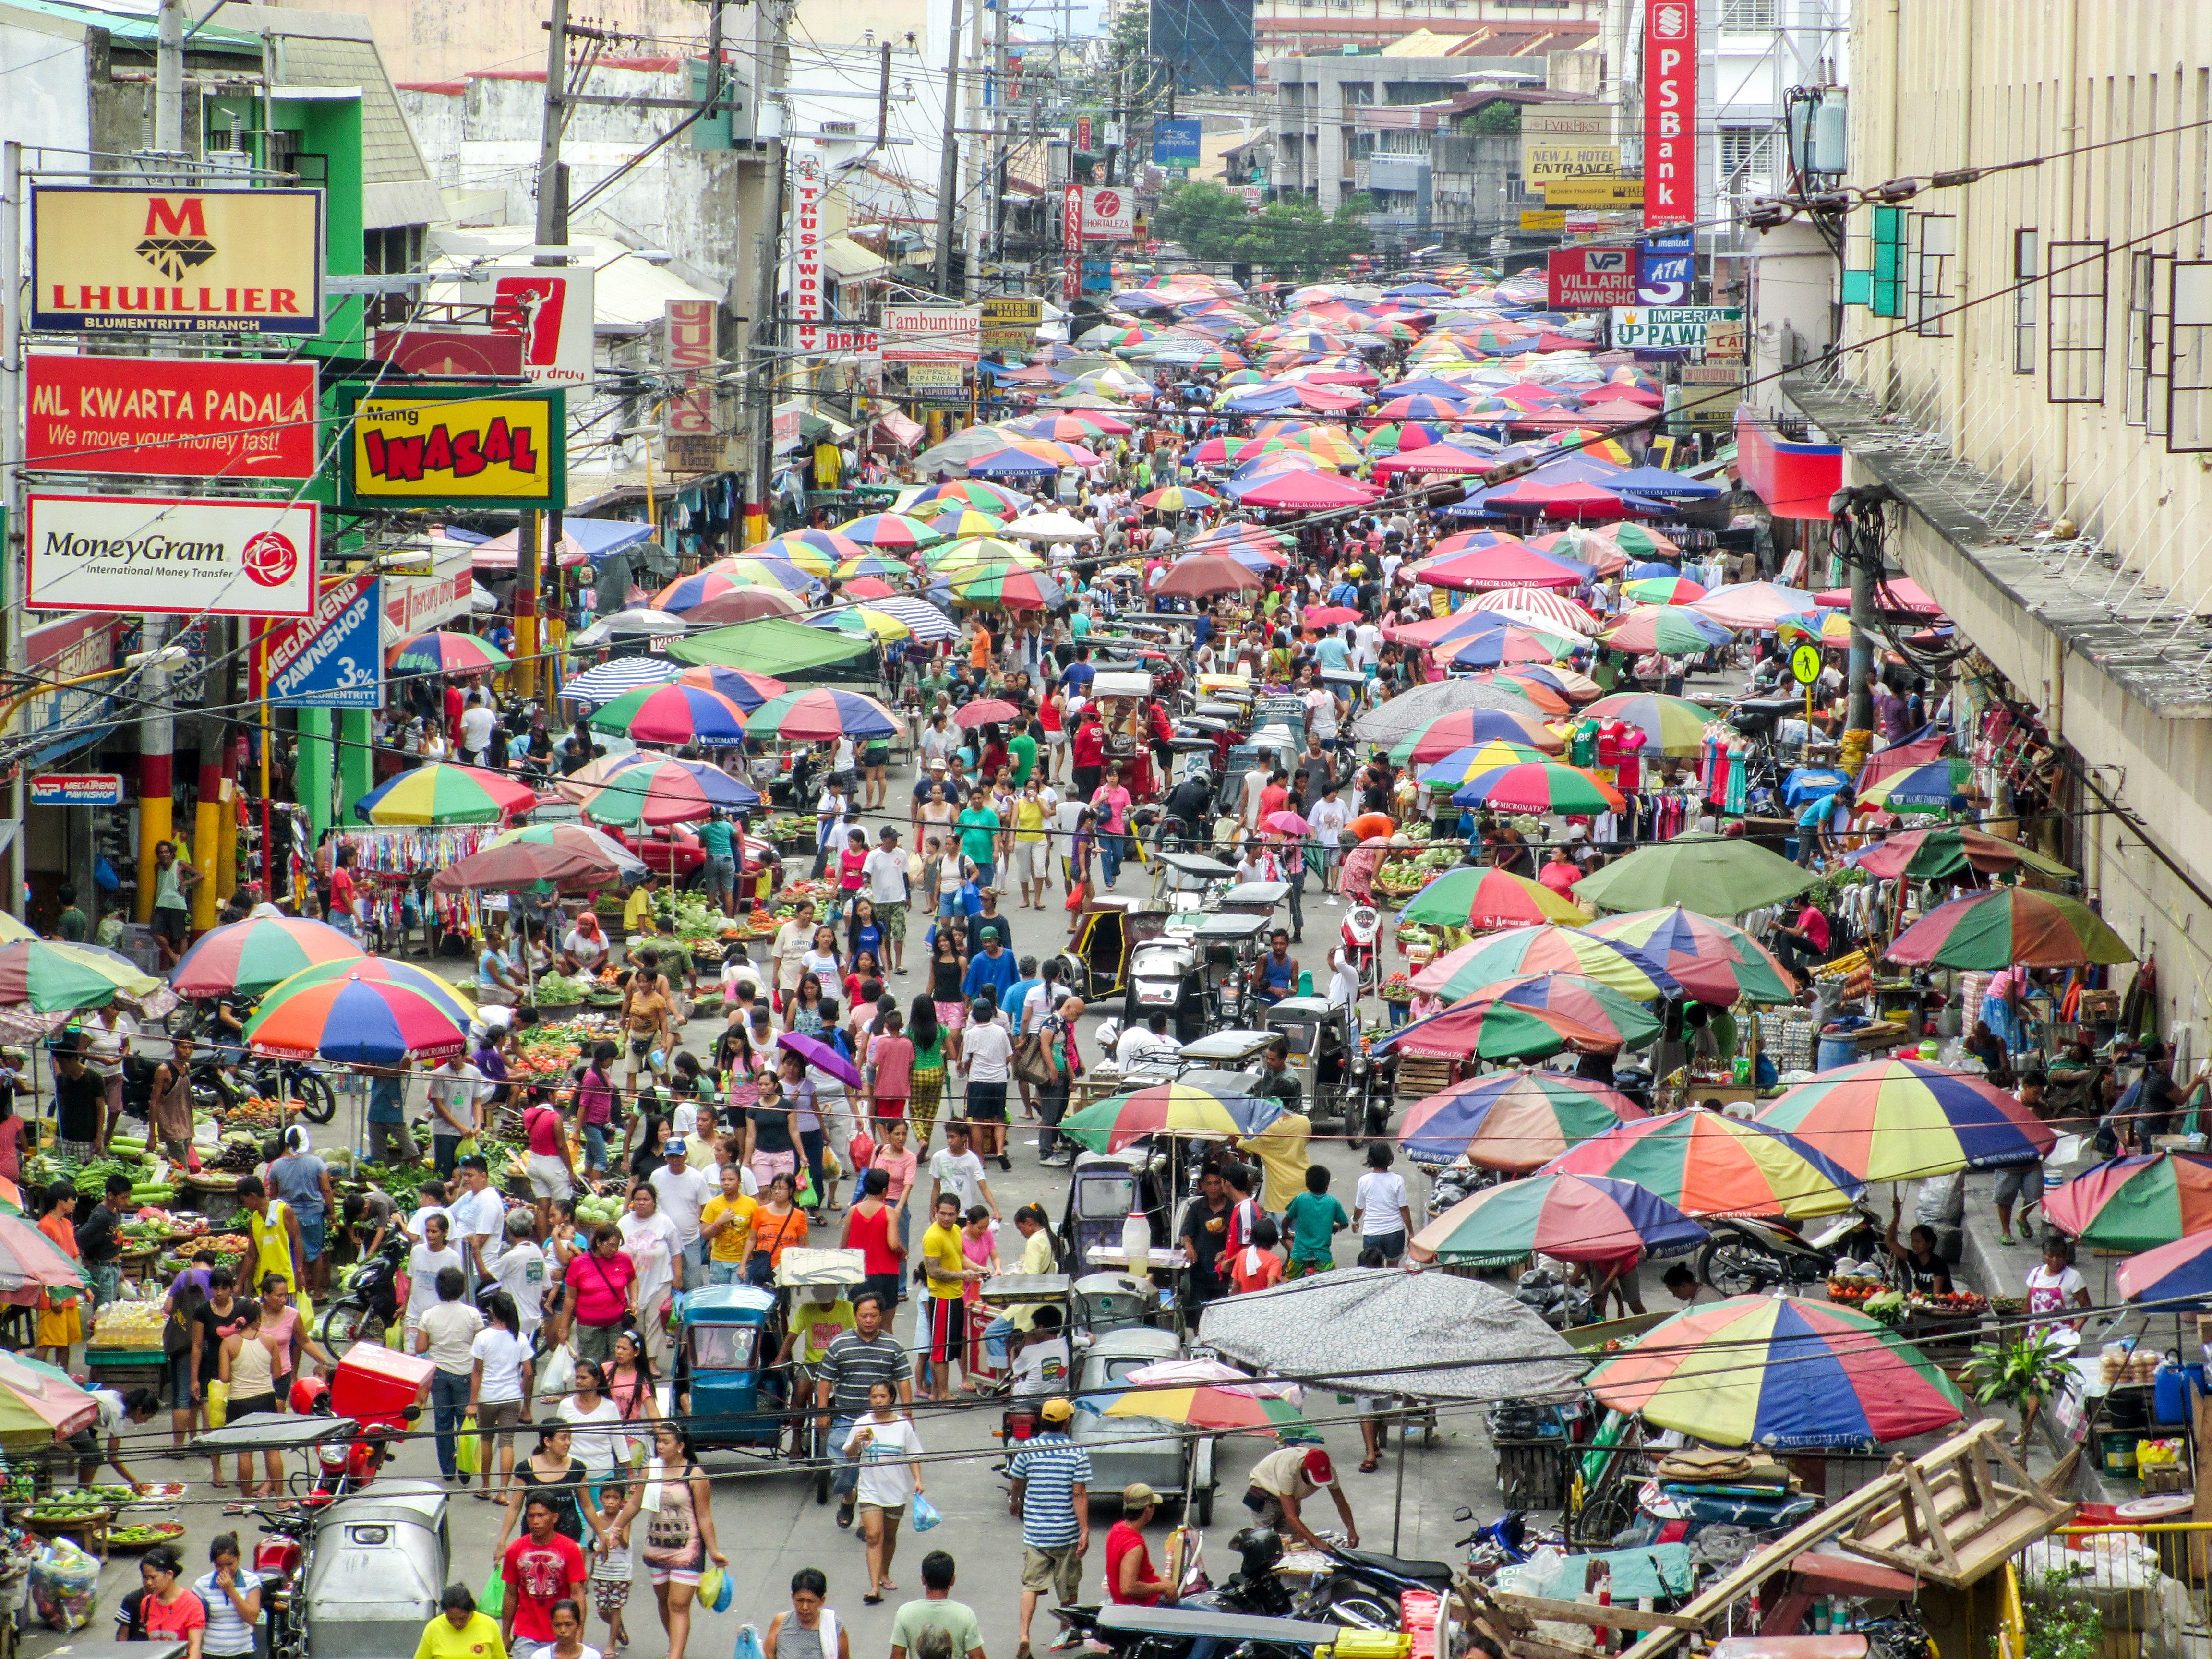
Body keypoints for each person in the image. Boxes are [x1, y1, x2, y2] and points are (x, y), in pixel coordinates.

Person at [609, 1421, 727, 1659]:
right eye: (658, 1442)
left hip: (688, 1550)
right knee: (664, 1601)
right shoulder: (650, 1470)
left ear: (681, 1446)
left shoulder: (695, 1475)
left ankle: (674, 1655)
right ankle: (676, 1647)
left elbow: (704, 1516)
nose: (660, 1446)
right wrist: (616, 1527)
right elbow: (635, 1503)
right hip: (656, 1547)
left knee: (679, 1604)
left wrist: (713, 1551)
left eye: (666, 1442)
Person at [1009, 1396, 1092, 1658]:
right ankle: (1065, 1634)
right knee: (1068, 1588)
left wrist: (1016, 1503)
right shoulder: (1077, 1451)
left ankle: (1024, 1634)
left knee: (1030, 1586)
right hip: (1066, 1534)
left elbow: (1017, 1483)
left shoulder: (1028, 1448)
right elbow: (1079, 1493)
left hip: (1036, 1533)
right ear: (1067, 1421)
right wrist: (1085, 1529)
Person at [843, 1379, 926, 1604]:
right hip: (870, 1490)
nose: (878, 1401)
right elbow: (850, 1458)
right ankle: (873, 1588)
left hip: (896, 1491)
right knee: (873, 1537)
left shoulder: (903, 1425)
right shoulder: (862, 1423)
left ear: (891, 1398)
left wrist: (918, 1480)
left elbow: (913, 1456)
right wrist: (855, 1445)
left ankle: (884, 1573)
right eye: (873, 1397)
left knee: (889, 1537)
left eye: (882, 1396)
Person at [496, 1422, 607, 1560]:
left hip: (569, 1537)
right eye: (563, 1438)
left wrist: (602, 1536)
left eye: (570, 1438)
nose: (568, 1443)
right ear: (547, 1441)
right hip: (534, 1540)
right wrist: (502, 1542)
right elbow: (515, 1507)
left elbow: (587, 1506)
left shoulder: (577, 1468)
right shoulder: (525, 1469)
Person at [417, 1266, 485, 1486]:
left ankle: (447, 1469)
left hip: (439, 1375)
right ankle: (464, 1465)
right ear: (463, 1289)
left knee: (443, 1423)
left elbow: (420, 1347)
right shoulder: (472, 1314)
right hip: (465, 1373)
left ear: (438, 1290)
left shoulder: (428, 1315)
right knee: (465, 1421)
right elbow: (481, 1345)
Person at [502, 1493, 590, 1658]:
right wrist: (506, 1633)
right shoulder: (515, 1550)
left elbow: (577, 1594)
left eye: (542, 1516)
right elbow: (510, 1594)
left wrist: (578, 1634)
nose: (536, 1521)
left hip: (560, 1633)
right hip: (526, 1633)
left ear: (555, 1518)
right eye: (531, 1516)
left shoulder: (570, 1549)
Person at [471, 1290, 536, 1502]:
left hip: (488, 1397)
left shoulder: (483, 1337)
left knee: (487, 1440)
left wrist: (473, 1402)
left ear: (493, 1312)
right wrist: (524, 1396)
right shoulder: (520, 1337)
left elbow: (477, 1372)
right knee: (507, 1442)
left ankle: (486, 1487)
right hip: (512, 1397)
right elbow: (529, 1372)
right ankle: (503, 1492)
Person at [918, 1192, 979, 1401]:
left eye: (951, 1214)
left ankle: (936, 1393)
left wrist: (978, 1268)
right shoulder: (933, 1237)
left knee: (948, 1349)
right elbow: (934, 1271)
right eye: (942, 1213)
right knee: (941, 1351)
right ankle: (944, 1394)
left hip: (956, 1297)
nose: (946, 1218)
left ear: (957, 1215)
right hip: (942, 1298)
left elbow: (959, 1256)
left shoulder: (954, 1231)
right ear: (935, 1211)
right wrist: (963, 1275)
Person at [1244, 1444, 1358, 1551]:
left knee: (1291, 1539)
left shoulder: (1328, 1469)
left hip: (1293, 1496)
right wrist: (1316, 1541)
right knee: (1264, 1539)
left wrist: (1351, 1529)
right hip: (1266, 1491)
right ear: (1304, 1469)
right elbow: (1291, 1516)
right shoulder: (1288, 1470)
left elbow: (1341, 1502)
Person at [888, 1551, 987, 1659]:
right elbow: (978, 1657)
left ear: (923, 1580)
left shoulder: (906, 1612)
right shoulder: (965, 1614)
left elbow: (898, 1656)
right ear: (953, 1580)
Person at [1105, 1484, 1178, 1606]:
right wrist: (1162, 1587)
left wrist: (1159, 1579)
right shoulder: (1134, 1545)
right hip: (1144, 1606)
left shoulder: (1117, 1529)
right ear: (1148, 1510)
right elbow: (1128, 1588)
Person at [195, 1533, 264, 1659]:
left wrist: (231, 1591)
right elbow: (196, 1624)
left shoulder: (251, 1581)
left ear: (239, 1557)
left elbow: (252, 1618)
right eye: (220, 1566)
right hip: (211, 1652)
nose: (226, 1570)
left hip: (243, 1652)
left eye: (230, 1564)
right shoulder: (202, 1585)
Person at [139, 1543, 210, 1658]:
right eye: (145, 1577)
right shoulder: (146, 1604)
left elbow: (195, 1645)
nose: (148, 1583)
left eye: (153, 1577)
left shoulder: (192, 1604)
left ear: (170, 1574)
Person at [765, 1568, 852, 1659]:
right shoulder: (781, 1622)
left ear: (822, 1601)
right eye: (800, 1600)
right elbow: (769, 1654)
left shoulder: (834, 1627)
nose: (805, 1607)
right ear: (793, 1597)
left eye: (811, 1601)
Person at [1178, 1166, 1233, 1304]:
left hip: (1224, 1271)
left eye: (1217, 1183)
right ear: (1202, 1186)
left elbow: (1239, 1238)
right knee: (1198, 1310)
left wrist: (1225, 1230)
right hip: (1200, 1269)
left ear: (1223, 1185)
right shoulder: (1197, 1207)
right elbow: (1187, 1233)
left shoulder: (1232, 1208)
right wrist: (1189, 1247)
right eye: (1209, 1184)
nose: (1213, 1188)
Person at [1352, 1143, 1412, 1265]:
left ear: (1370, 1159)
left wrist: (1355, 1221)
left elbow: (1359, 1207)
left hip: (1371, 1233)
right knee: (1392, 1270)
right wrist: (1411, 1232)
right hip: (1394, 1233)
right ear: (1389, 1158)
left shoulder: (1364, 1180)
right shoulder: (1397, 1180)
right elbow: (1404, 1209)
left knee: (1373, 1271)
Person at [1886, 1197, 1955, 1297]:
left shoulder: (1939, 1264)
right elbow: (1889, 1242)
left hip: (1940, 1303)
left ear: (1929, 1243)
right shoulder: (1913, 1257)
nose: (1914, 1245)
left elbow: (1937, 1295)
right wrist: (1897, 1217)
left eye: (1918, 1242)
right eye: (1913, 1241)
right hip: (1922, 1301)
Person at [414, 1583, 504, 1659]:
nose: (457, 1624)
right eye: (451, 1619)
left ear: (471, 1611)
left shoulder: (489, 1624)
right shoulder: (433, 1628)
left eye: (463, 1618)